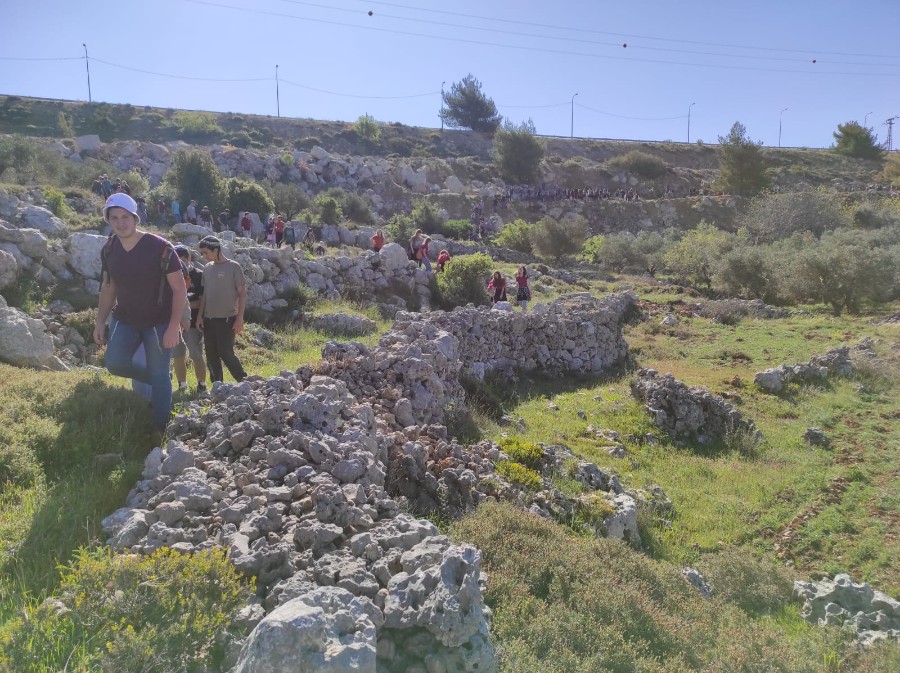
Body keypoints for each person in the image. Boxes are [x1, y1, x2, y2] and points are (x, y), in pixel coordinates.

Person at [92, 193, 186, 436]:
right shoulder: (110, 248)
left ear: (136, 218)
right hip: (125, 318)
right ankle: (162, 384)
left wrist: (174, 325)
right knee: (114, 363)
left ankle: (160, 426)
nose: (120, 223)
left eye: (125, 217)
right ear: (108, 220)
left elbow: (179, 289)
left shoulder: (161, 248)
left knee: (157, 370)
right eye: (114, 218)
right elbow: (109, 287)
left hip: (158, 322)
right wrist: (100, 321)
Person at [197, 235, 247, 384]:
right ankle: (217, 386)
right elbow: (205, 295)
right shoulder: (207, 268)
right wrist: (200, 316)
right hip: (209, 319)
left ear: (216, 249)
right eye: (202, 253)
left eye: (206, 252)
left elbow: (242, 294)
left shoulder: (233, 267)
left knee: (225, 352)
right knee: (211, 354)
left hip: (227, 319)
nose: (204, 256)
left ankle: (244, 381)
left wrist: (239, 318)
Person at [172, 245, 208, 393]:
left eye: (183, 260)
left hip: (193, 322)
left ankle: (202, 384)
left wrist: (182, 305)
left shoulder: (199, 275)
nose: (180, 263)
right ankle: (182, 385)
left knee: (196, 354)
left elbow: (202, 301)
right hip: (175, 323)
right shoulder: (170, 275)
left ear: (189, 259)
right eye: (177, 260)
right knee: (178, 355)